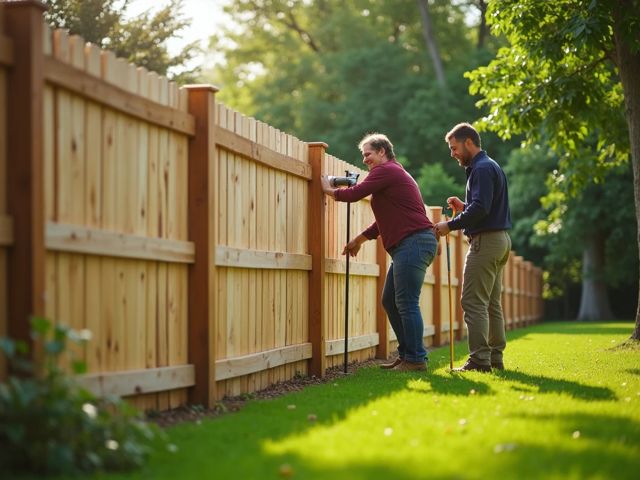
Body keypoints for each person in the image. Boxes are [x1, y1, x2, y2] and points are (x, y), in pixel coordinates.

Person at [321, 133, 438, 372]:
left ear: (382, 151)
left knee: (406, 302)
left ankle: (415, 359)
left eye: (368, 154)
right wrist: (359, 240)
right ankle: (408, 355)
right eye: (363, 155)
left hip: (414, 243)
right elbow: (382, 222)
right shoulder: (394, 174)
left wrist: (327, 189)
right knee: (391, 300)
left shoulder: (386, 171)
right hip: (412, 243)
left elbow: (354, 193)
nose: (365, 160)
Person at [433, 122, 512, 372]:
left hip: (486, 243)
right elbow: (481, 206)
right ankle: (494, 358)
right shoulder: (490, 166)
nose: (452, 153)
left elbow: (482, 209)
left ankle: (479, 361)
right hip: (500, 240)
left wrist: (450, 225)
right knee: (491, 303)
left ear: (469, 142)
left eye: (454, 148)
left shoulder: (481, 168)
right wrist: (463, 205)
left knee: (472, 301)